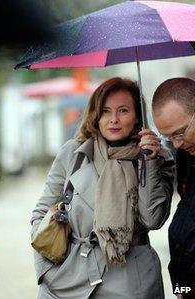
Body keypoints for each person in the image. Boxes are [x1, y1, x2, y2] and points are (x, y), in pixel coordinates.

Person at [31, 77, 175, 299]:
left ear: (137, 117)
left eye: (123, 111)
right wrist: (46, 270)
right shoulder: (73, 153)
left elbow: (152, 219)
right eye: (106, 111)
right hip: (67, 280)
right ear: (96, 115)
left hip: (129, 281)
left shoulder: (156, 157)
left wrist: (149, 163)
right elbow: (41, 212)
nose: (113, 120)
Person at [152, 77, 195, 299]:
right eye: (168, 137)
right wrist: (181, 288)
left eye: (179, 132)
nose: (177, 143)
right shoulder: (185, 155)